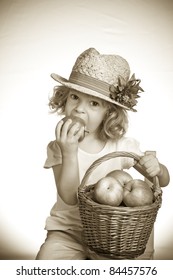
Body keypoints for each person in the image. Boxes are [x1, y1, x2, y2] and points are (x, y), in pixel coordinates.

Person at [36, 48, 170, 260]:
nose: (79, 109)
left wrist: (158, 169)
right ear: (64, 98)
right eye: (74, 97)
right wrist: (69, 152)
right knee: (45, 264)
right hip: (68, 233)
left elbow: (162, 181)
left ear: (109, 112)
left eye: (94, 103)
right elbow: (70, 198)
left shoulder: (121, 146)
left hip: (113, 235)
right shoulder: (58, 146)